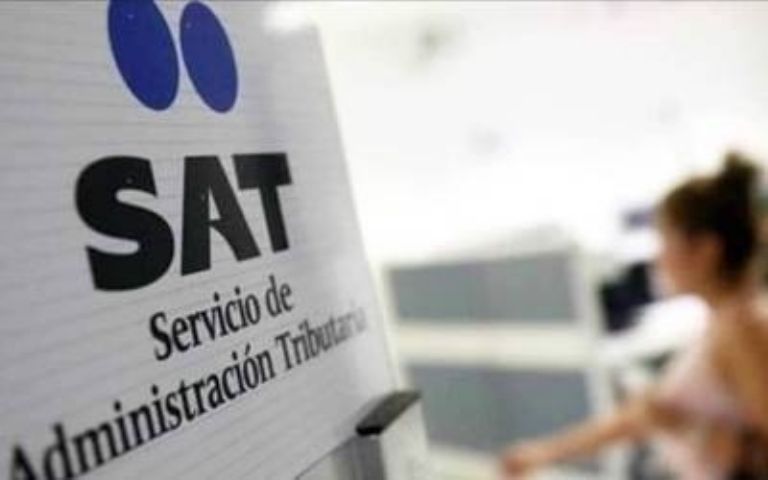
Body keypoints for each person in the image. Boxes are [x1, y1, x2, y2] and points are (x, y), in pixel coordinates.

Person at [501, 152, 768, 479]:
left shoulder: (743, 329)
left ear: (706, 248)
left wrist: (684, 426)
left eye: (665, 241)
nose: (659, 258)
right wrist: (544, 452)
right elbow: (640, 419)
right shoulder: (723, 325)